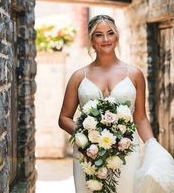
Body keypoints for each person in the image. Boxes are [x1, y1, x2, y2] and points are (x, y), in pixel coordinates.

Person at [58, 14, 155, 193]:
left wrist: (152, 145)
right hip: (88, 153)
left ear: (117, 36)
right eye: (98, 34)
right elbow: (64, 118)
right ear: (91, 39)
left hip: (126, 150)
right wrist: (86, 137)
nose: (105, 39)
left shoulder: (134, 74)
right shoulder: (79, 77)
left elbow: (140, 118)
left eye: (110, 33)